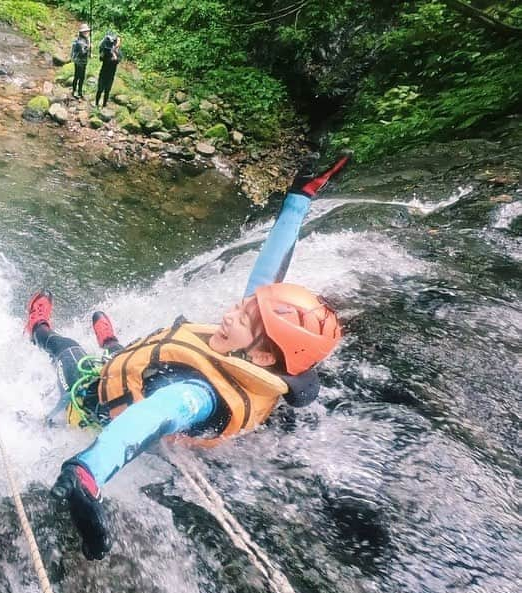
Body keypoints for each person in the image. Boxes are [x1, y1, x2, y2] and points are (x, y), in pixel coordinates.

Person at [25, 154, 352, 560]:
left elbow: (151, 416)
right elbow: (266, 278)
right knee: (126, 355)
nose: (232, 312)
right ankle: (109, 339)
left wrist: (87, 472)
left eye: (245, 318)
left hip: (95, 406)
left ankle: (38, 329)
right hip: (140, 369)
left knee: (67, 350)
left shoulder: (198, 396)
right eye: (244, 307)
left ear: (265, 356)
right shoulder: (258, 351)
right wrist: (299, 198)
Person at [95, 32, 122, 107]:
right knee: (100, 90)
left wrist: (113, 53)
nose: (117, 43)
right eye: (116, 41)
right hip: (103, 73)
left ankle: (104, 105)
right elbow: (101, 58)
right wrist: (103, 52)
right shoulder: (107, 49)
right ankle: (96, 104)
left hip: (110, 76)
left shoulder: (119, 53)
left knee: (107, 91)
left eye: (118, 42)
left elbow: (117, 61)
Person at [70, 23, 91, 100]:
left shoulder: (85, 39)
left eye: (87, 31)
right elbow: (82, 52)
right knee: (77, 76)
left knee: (82, 77)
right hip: (79, 62)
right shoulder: (79, 41)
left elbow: (86, 52)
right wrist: (88, 47)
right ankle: (74, 91)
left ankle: (80, 92)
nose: (86, 33)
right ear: (81, 32)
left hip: (84, 61)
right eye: (84, 32)